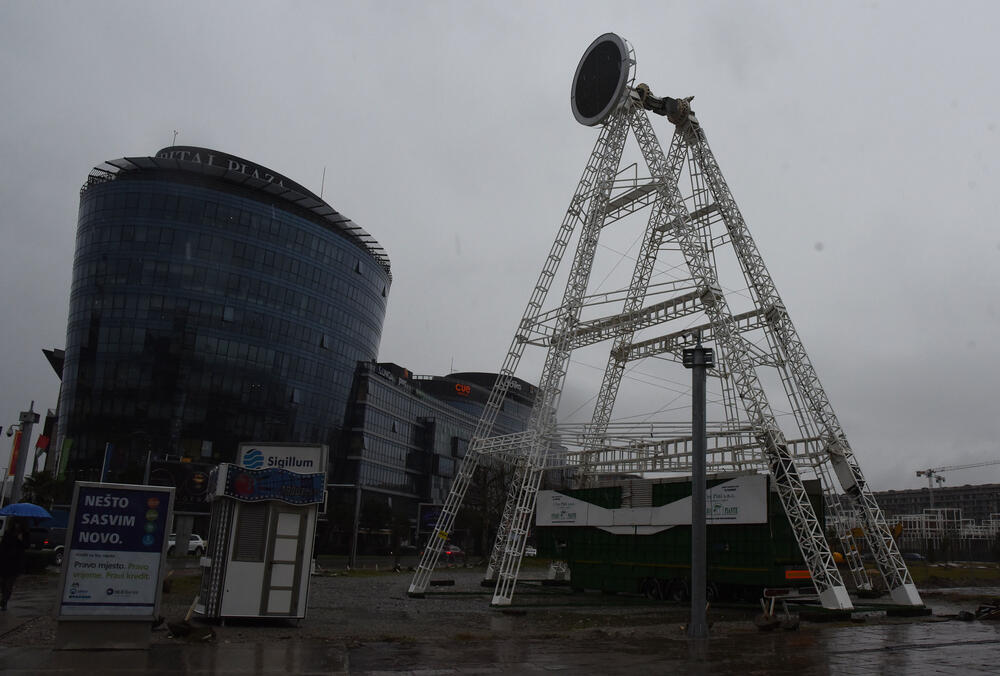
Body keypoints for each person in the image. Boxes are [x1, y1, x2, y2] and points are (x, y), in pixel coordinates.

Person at [0, 518, 28, 610]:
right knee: (3, 582)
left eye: (19, 523)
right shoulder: (8, 533)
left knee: (9, 583)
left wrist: (21, 539)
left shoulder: (25, 534)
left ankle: (4, 601)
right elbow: (3, 546)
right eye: (16, 523)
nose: (17, 525)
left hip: (16, 562)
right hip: (5, 561)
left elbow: (26, 546)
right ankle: (3, 597)